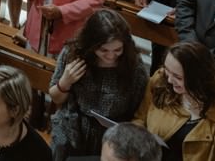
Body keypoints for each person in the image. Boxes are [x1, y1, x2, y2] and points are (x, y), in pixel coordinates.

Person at [48, 10, 148, 160]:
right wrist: (65, 82)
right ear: (91, 44)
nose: (110, 56)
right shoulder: (73, 53)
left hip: (112, 135)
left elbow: (138, 111)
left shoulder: (133, 65)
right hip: (72, 127)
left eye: (117, 50)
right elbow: (56, 99)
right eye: (103, 50)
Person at [133, 42, 215, 161]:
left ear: (199, 78)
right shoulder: (160, 80)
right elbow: (139, 119)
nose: (169, 79)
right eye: (167, 70)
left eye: (178, 77)